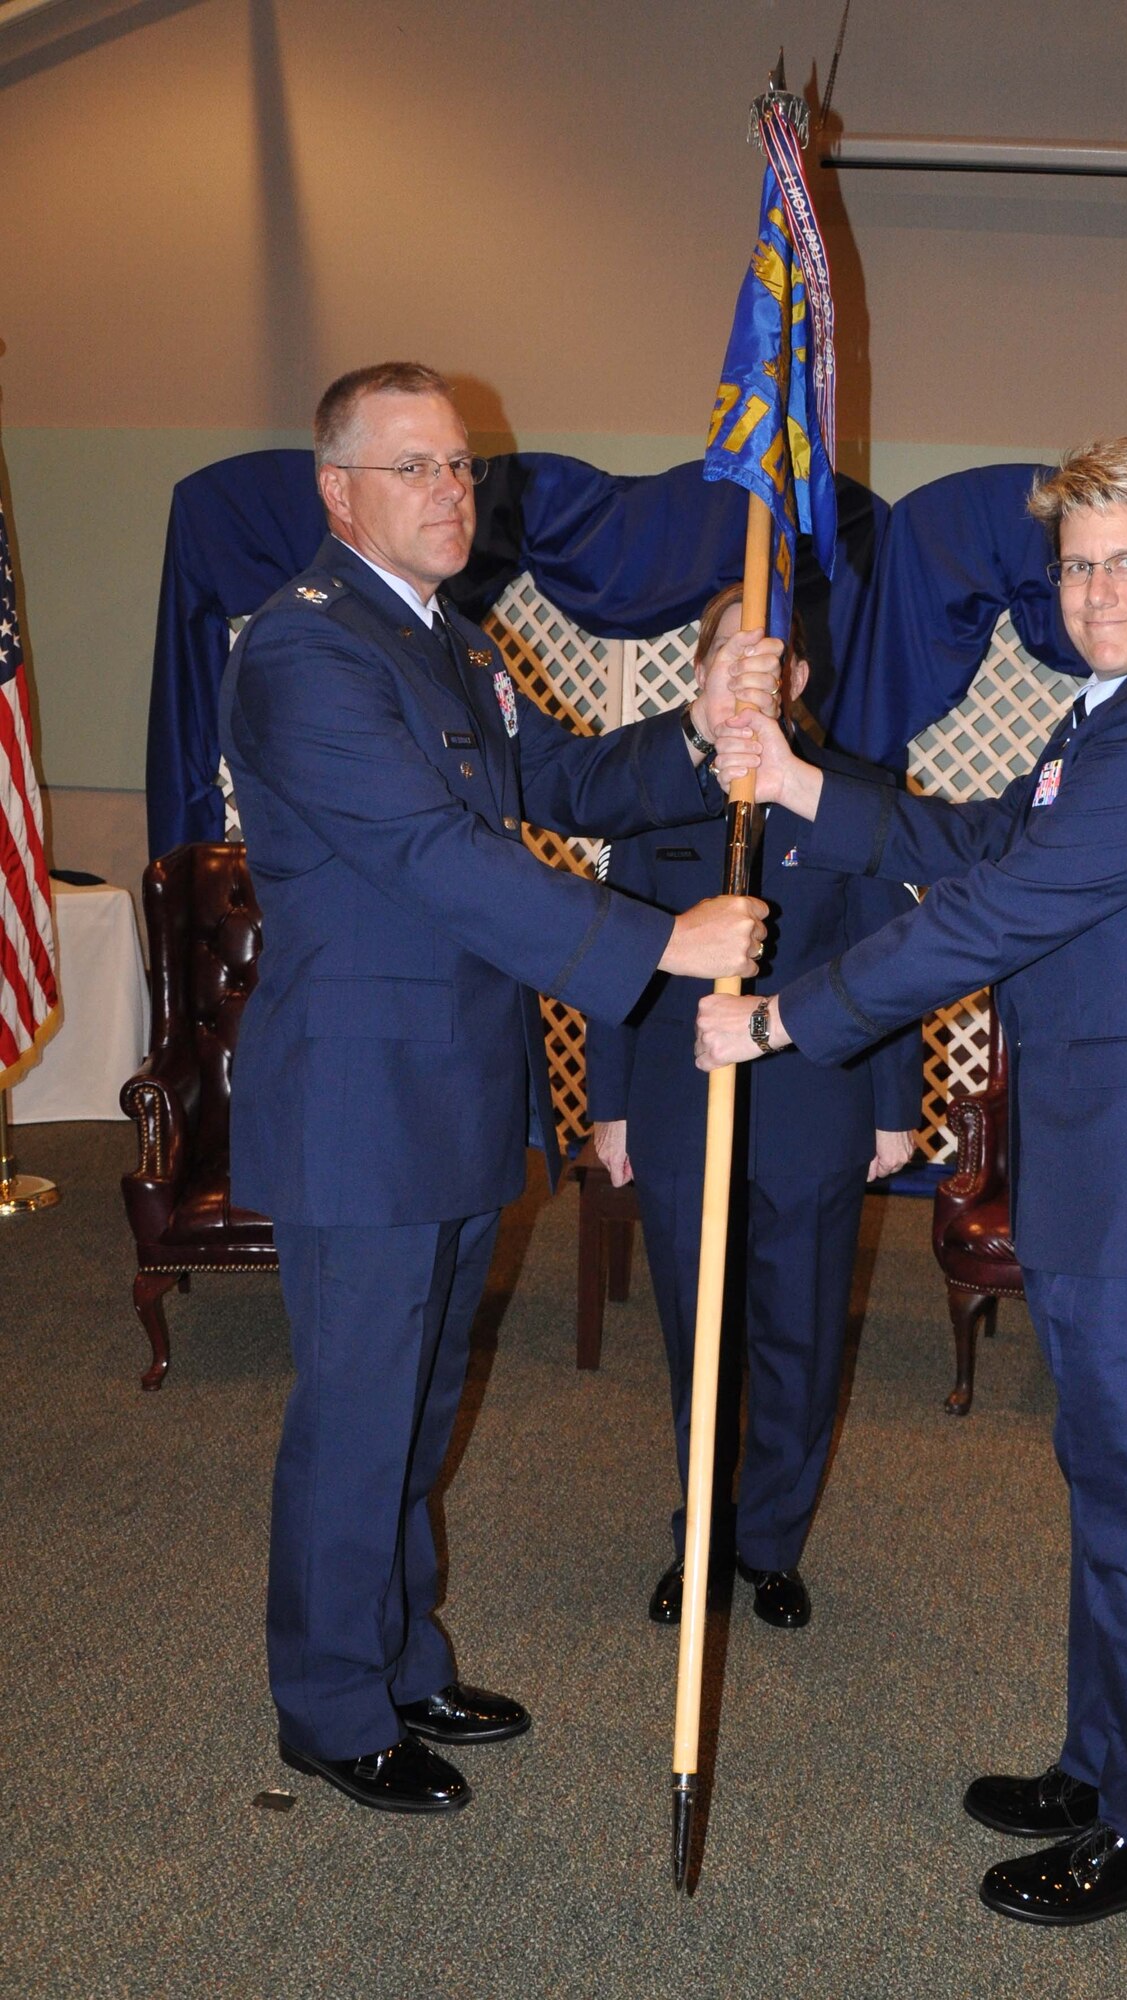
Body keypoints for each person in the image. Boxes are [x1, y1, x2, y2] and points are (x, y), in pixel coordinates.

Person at [697, 439, 1127, 1927]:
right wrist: (794, 780)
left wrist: (787, 1016)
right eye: (1078, 564)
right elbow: (975, 837)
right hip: (1117, 1176)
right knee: (1112, 1490)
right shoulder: (1110, 716)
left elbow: (1002, 905)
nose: (1097, 591)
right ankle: (1104, 1766)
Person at [220, 361, 779, 1816]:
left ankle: (400, 1658)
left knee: (418, 1401)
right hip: (360, 1101)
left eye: (461, 467)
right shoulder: (304, 650)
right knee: (358, 1410)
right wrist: (659, 945)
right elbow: (432, 855)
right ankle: (332, 1707)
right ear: (337, 491)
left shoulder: (452, 642)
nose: (451, 491)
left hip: (456, 1086)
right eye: (415, 468)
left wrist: (697, 720)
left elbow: (565, 782)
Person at [585, 586, 923, 1631]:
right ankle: (703, 1533)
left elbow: (888, 962)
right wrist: (610, 1107)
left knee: (799, 1336)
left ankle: (769, 1542)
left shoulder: (854, 793)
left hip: (812, 1107)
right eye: (727, 654)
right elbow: (614, 957)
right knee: (698, 1337)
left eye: (769, 658)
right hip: (678, 1106)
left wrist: (890, 1109)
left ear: (799, 680)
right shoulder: (649, 795)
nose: (747, 675)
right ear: (698, 670)